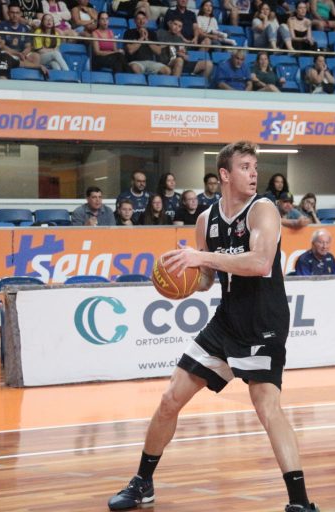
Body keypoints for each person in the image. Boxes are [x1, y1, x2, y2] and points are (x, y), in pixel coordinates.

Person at [107, 141, 319, 512]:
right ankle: (143, 482)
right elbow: (207, 279)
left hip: (264, 322)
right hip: (227, 321)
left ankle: (300, 502)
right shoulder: (206, 220)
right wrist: (183, 278)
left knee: (267, 406)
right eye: (245, 167)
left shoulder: (263, 209)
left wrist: (202, 256)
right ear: (224, 174)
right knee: (170, 399)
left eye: (255, 167)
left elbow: (260, 262)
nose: (253, 173)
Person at [0, 4, 46, 72]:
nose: (15, 15)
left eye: (17, 13)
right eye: (12, 12)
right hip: (9, 53)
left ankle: (31, 75)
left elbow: (28, 46)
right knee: (5, 54)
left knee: (36, 56)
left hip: (22, 54)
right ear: (8, 13)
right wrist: (17, 54)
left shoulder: (25, 28)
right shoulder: (1, 26)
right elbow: (2, 45)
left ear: (20, 14)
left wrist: (23, 54)